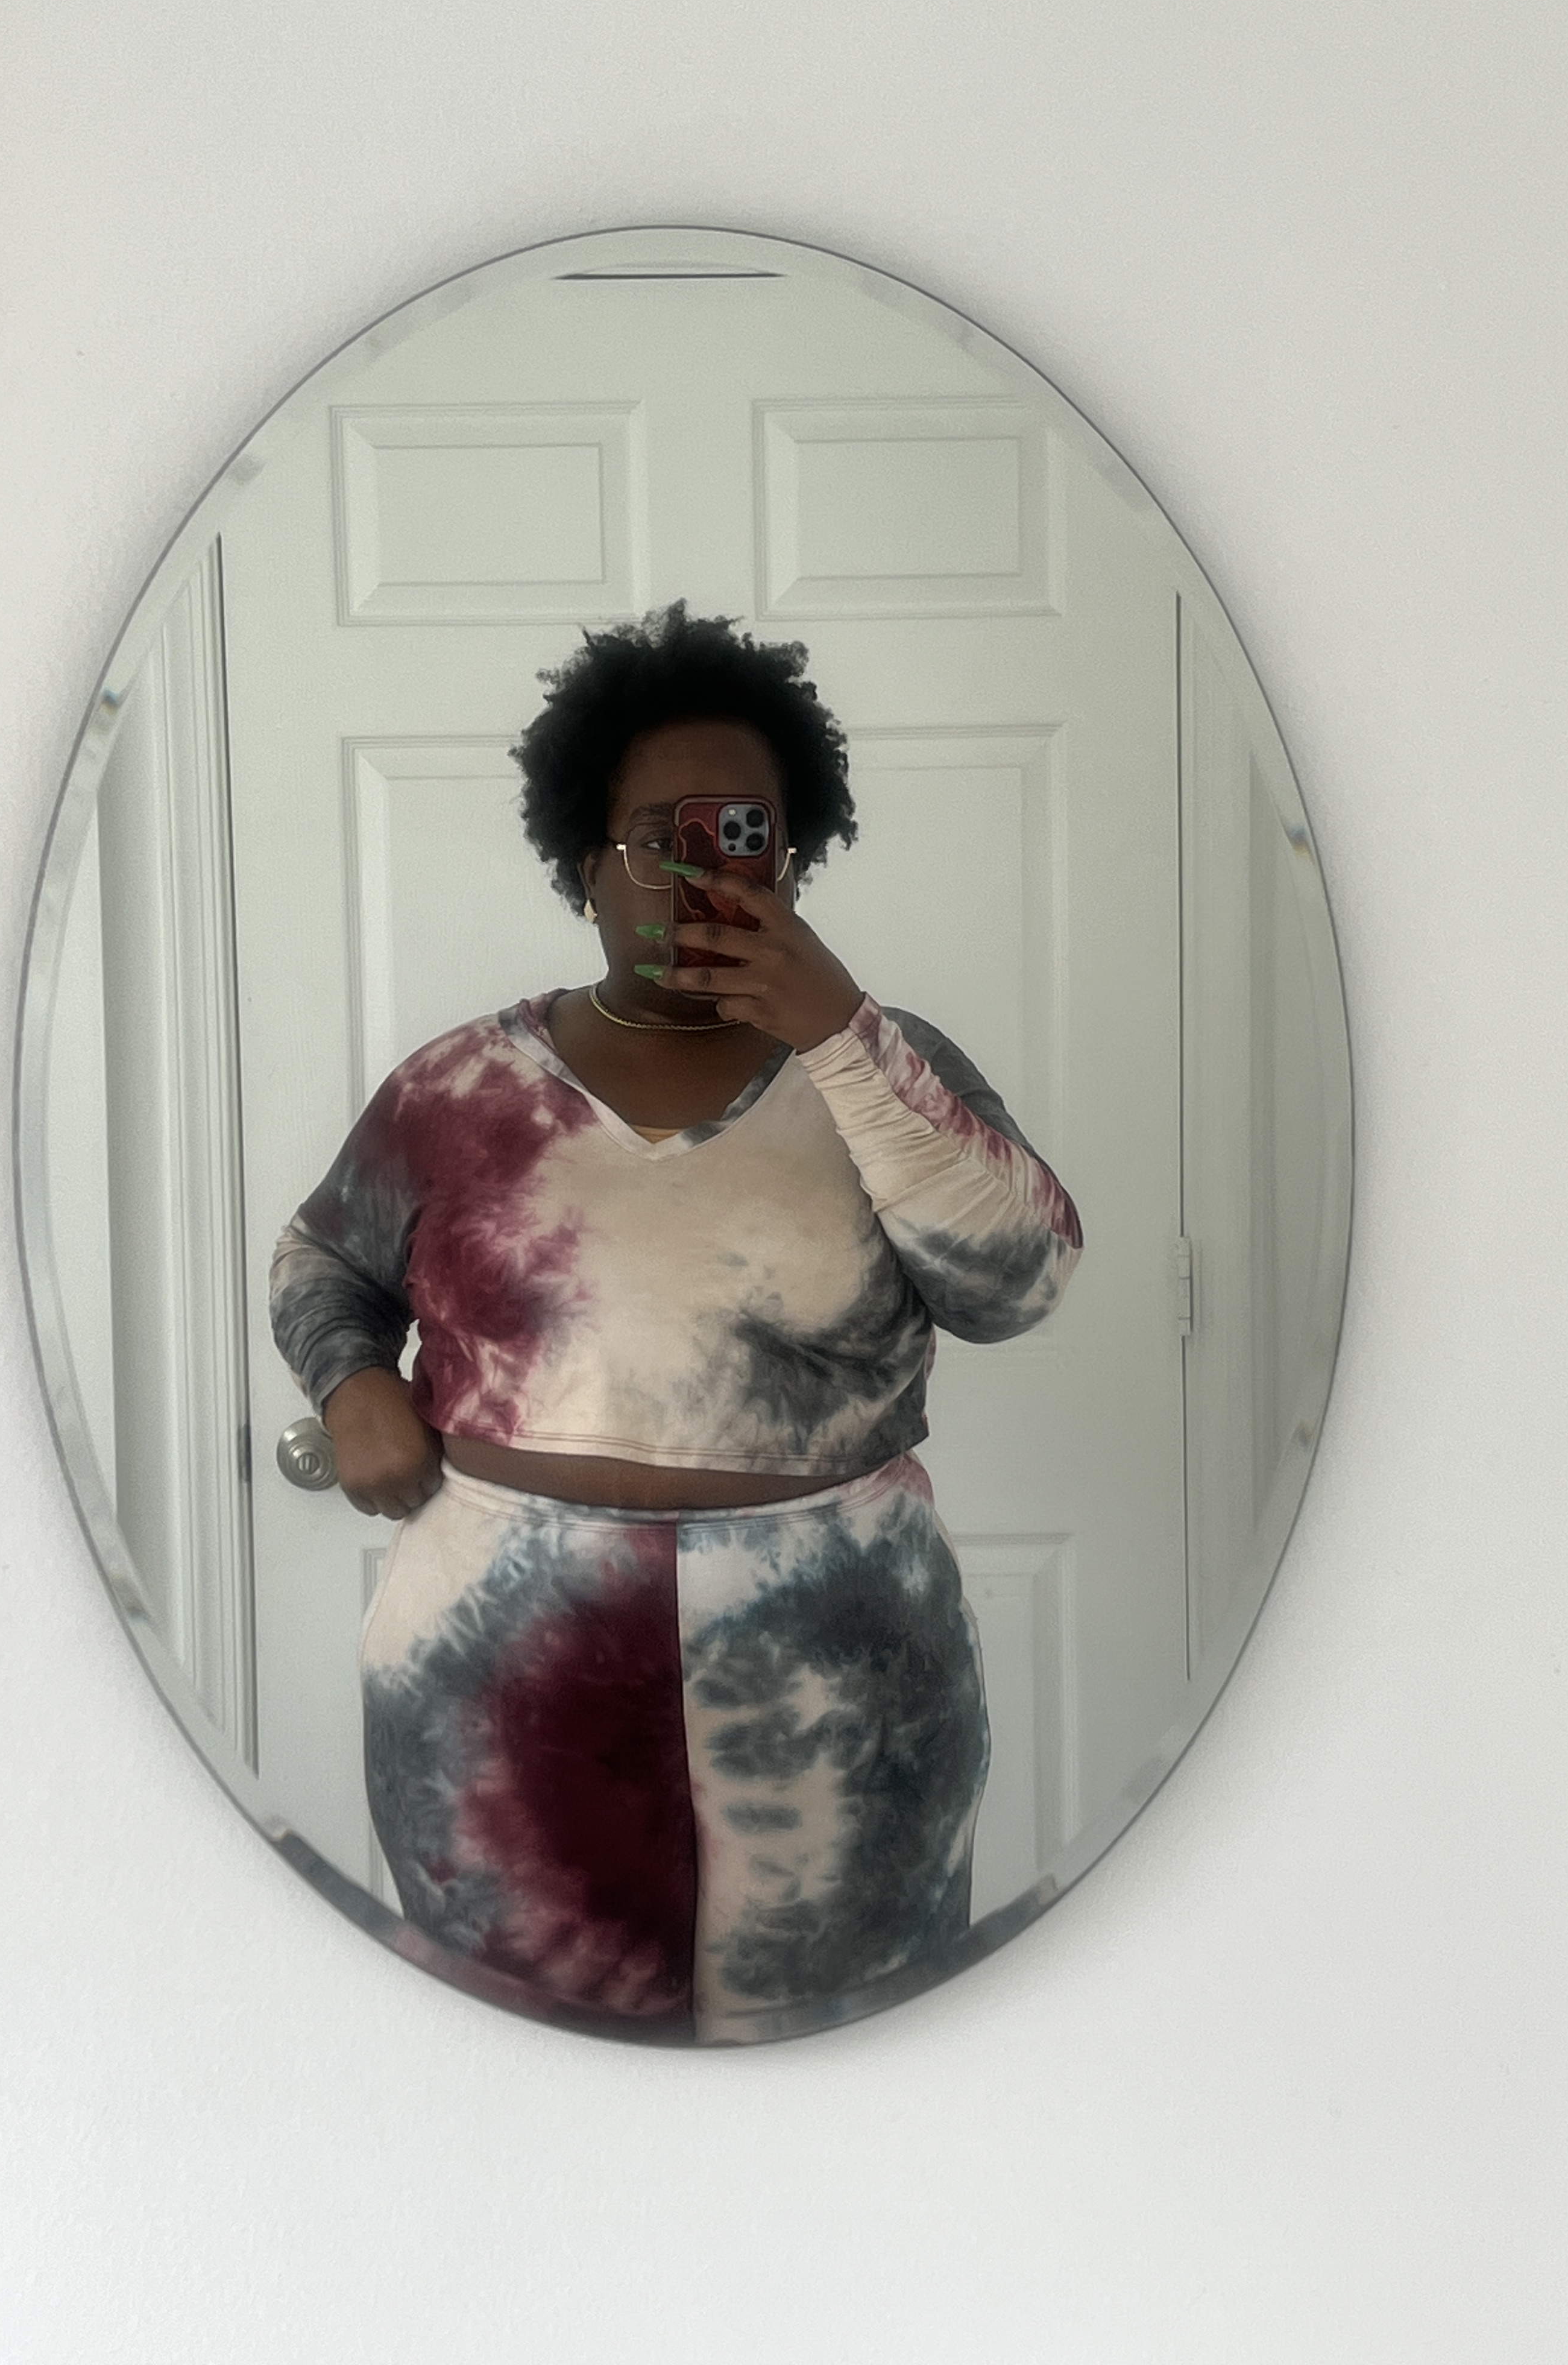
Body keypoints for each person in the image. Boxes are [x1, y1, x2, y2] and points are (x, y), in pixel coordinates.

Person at [269, 604, 1083, 2044]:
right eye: (659, 837)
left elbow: (1018, 1284)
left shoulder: (885, 1065)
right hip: (497, 1662)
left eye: (743, 833)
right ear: (586, 864)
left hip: (838, 1674)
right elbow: (324, 1261)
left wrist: (839, 1032)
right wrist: (353, 1387)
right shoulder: (457, 1089)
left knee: (834, 2071)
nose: (702, 871)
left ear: (795, 854)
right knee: (524, 2068)